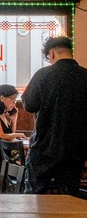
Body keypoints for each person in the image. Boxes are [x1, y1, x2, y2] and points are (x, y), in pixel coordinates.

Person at [21, 36, 87, 193]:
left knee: (35, 196)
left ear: (51, 54)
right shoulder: (85, 76)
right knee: (69, 198)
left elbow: (30, 105)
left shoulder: (43, 75)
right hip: (76, 149)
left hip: (44, 146)